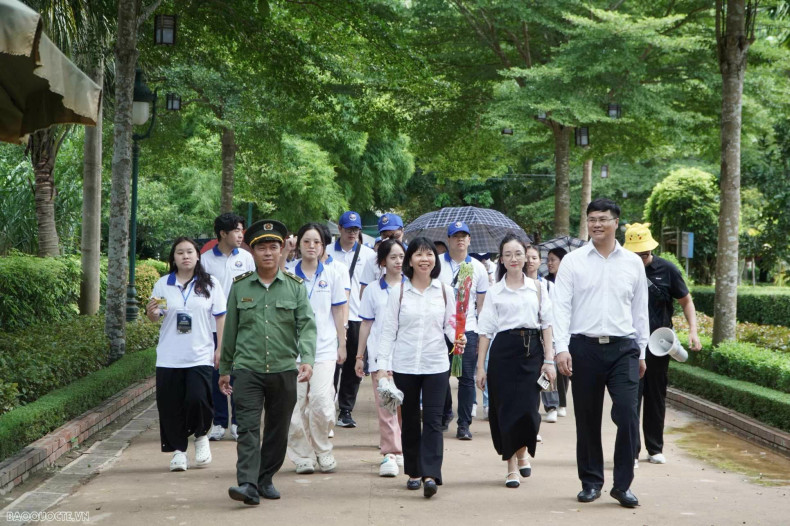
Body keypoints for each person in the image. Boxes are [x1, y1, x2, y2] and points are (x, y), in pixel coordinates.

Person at [553, 198, 649, 509]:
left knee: (627, 413)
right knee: (588, 418)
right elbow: (561, 308)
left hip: (623, 349)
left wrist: (642, 352)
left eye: (603, 219)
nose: (597, 224)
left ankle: (622, 486)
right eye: (592, 219)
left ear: (616, 222)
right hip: (584, 349)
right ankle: (591, 482)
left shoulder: (632, 262)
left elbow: (640, 312)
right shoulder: (573, 261)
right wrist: (561, 348)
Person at [220, 219, 316, 506]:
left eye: (273, 246)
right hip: (247, 370)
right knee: (248, 428)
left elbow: (307, 326)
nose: (268, 252)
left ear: (281, 250)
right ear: (252, 251)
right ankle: (247, 484)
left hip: (283, 370)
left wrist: (307, 359)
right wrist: (225, 369)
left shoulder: (295, 287)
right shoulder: (239, 287)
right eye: (261, 247)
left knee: (277, 428)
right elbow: (231, 331)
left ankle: (265, 478)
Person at [376, 237, 464, 499]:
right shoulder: (399, 293)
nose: (425, 259)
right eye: (418, 254)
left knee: (434, 420)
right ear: (410, 260)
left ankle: (431, 474)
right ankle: (414, 471)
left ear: (435, 260)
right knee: (411, 419)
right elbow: (388, 331)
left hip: (436, 363)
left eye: (429, 255)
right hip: (405, 364)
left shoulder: (446, 291)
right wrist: (383, 367)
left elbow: (450, 325)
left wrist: (458, 337)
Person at [476, 233, 555, 488]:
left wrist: (550, 360)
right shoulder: (495, 291)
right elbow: (486, 331)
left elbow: (547, 325)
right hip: (504, 353)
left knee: (529, 412)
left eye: (518, 254)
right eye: (508, 254)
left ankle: (523, 452)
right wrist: (480, 366)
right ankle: (511, 465)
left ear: (526, 257)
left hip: (533, 353)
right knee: (506, 411)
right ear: (501, 259)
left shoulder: (539, 288)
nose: (513, 258)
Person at [146, 237, 227, 472]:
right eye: (180, 253)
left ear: (198, 256)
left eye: (190, 252)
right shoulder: (163, 284)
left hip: (200, 353)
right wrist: (151, 313)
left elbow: (221, 316)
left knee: (197, 398)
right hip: (170, 355)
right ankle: (179, 451)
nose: (185, 256)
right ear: (173, 258)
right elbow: (156, 316)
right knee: (170, 405)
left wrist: (220, 348)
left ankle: (201, 436)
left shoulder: (210, 283)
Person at [622, 223, 701, 466]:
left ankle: (654, 448)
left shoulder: (667, 270)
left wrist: (693, 331)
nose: (640, 259)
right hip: (629, 344)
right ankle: (630, 452)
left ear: (651, 250)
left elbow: (686, 301)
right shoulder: (621, 268)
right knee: (630, 399)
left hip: (658, 344)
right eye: (635, 255)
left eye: (644, 255)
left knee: (655, 396)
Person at [285, 223, 350, 475]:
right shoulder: (288, 272)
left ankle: (323, 451)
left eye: (316, 242)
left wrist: (342, 343)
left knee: (322, 403)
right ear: (298, 244)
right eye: (306, 241)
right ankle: (302, 455)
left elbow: (338, 310)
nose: (311, 246)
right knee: (294, 406)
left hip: (323, 349)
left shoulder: (332, 274)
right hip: (292, 351)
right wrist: (284, 252)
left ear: (323, 247)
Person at [201, 213, 256, 442]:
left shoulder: (246, 257)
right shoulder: (204, 260)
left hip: (242, 325)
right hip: (213, 326)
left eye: (242, 230)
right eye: (236, 230)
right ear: (223, 233)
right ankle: (219, 421)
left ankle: (237, 422)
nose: (241, 234)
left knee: (240, 374)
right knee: (217, 373)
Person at [355, 239, 407, 477]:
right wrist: (359, 356)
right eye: (393, 257)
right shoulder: (373, 290)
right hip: (380, 358)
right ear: (383, 261)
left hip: (407, 358)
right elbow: (366, 324)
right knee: (386, 405)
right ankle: (390, 452)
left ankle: (406, 448)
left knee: (404, 406)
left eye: (401, 256)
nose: (398, 261)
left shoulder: (413, 287)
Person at [438, 221, 488, 440]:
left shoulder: (478, 267)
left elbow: (482, 304)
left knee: (466, 378)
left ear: (469, 240)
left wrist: (481, 332)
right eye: (455, 236)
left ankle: (464, 424)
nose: (460, 239)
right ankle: (445, 412)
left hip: (467, 329)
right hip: (440, 329)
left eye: (463, 236)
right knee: (440, 375)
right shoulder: (437, 264)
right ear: (448, 240)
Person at [326, 211, 376, 428]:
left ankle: (346, 409)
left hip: (357, 316)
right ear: (340, 229)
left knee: (353, 366)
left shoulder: (369, 255)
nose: (352, 233)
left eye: (356, 229)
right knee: (331, 363)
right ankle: (327, 404)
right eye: (348, 229)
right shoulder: (326, 252)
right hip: (332, 317)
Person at [544, 247, 570, 420]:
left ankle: (561, 402)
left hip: (567, 329)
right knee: (547, 367)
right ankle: (550, 404)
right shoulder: (545, 283)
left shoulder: (569, 281)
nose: (549, 263)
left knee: (564, 369)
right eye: (548, 260)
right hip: (549, 329)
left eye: (553, 259)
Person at [359, 213, 407, 292]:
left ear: (402, 231)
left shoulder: (412, 255)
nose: (391, 240)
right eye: (385, 236)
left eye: (395, 235)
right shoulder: (373, 259)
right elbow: (364, 294)